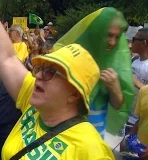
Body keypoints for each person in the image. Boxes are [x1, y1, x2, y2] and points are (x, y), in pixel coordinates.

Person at [0, 0, 116, 160]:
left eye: (51, 72)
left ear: (74, 93)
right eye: (41, 68)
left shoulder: (94, 155)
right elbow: (5, 57)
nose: (39, 75)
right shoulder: (34, 104)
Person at [53, 8, 134, 139]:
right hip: (64, 137)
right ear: (96, 32)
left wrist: (115, 89)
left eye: (117, 37)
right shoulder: (71, 56)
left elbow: (118, 105)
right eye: (108, 35)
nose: (113, 42)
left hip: (94, 139)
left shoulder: (112, 62)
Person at [126, 28, 148, 133]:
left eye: (134, 39)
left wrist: (135, 82)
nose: (131, 42)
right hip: (127, 115)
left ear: (144, 43)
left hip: (139, 121)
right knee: (123, 146)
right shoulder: (134, 60)